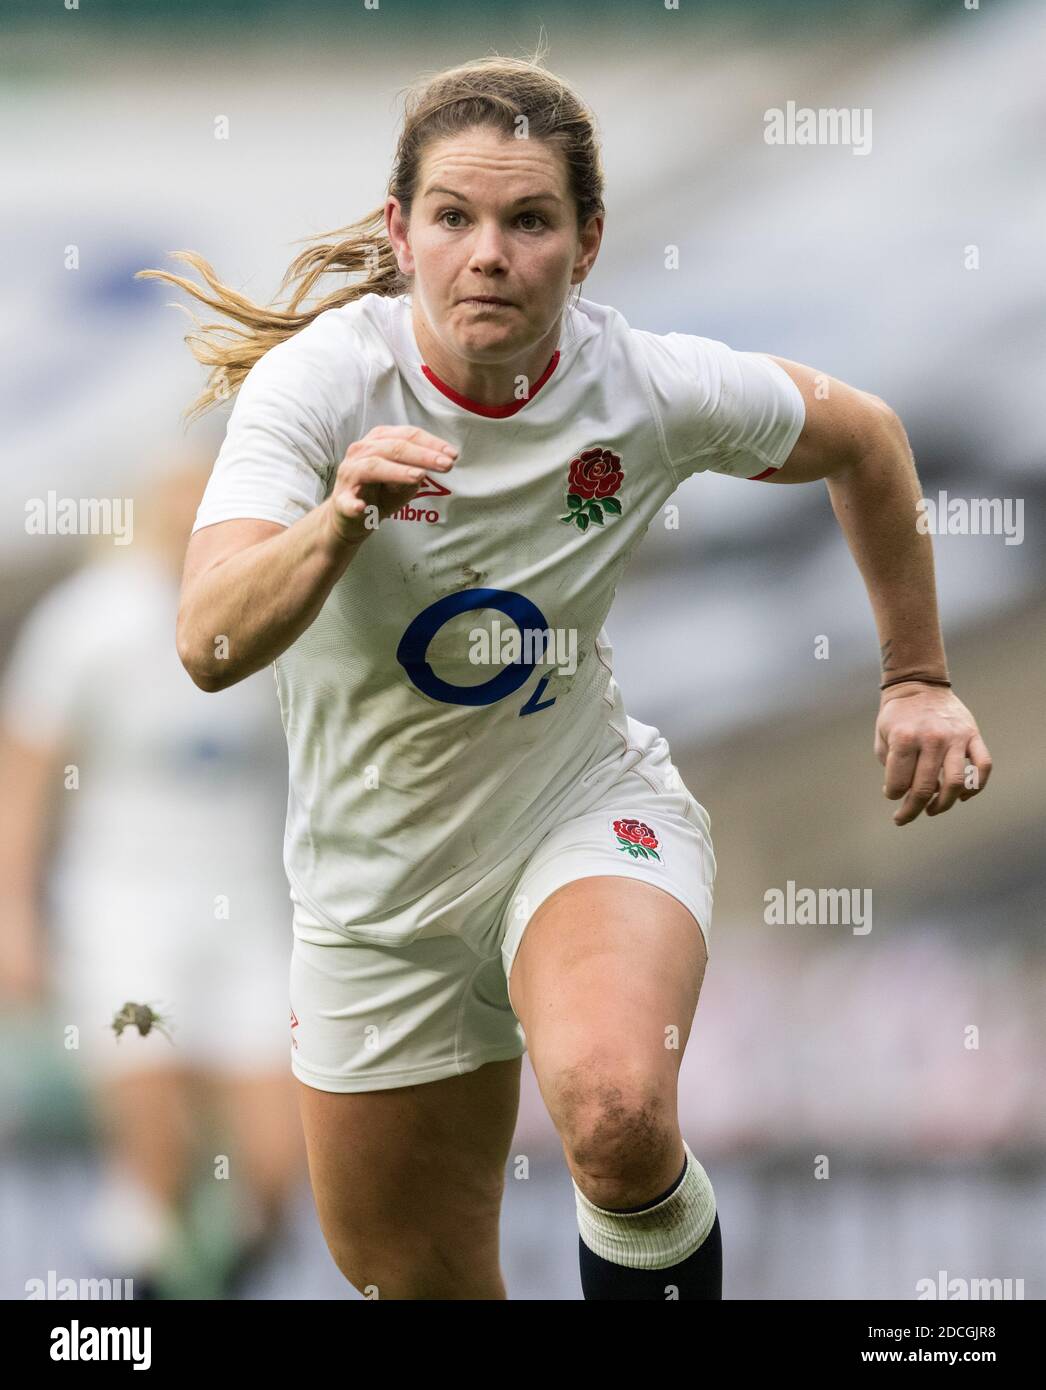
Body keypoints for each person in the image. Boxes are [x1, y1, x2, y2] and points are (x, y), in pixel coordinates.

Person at [136, 53, 992, 1300]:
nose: (488, 252)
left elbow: (862, 437)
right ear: (402, 231)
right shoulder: (319, 389)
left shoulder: (639, 386)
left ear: (586, 244)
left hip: (579, 814)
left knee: (613, 1107)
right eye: (454, 218)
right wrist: (334, 525)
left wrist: (914, 676)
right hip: (375, 898)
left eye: (528, 219)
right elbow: (206, 642)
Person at [0, 457, 305, 1299]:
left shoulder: (284, 619)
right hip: (122, 915)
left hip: (249, 915)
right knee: (159, 1140)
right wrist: (14, 919)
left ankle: (211, 1278)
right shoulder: (89, 623)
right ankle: (130, 1299)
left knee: (279, 1162)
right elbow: (23, 781)